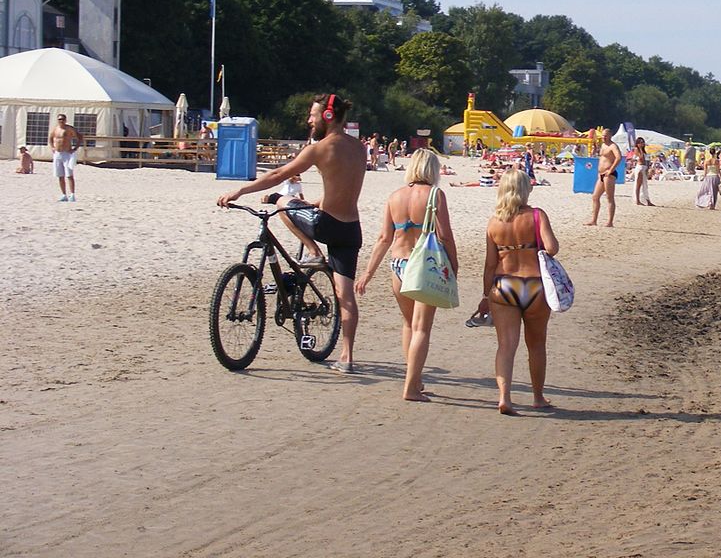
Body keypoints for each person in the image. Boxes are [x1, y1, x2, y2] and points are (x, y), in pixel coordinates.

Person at [218, 93, 366, 372]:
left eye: (312, 115)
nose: (309, 120)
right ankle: (346, 357)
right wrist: (318, 202)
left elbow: (279, 174)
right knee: (345, 295)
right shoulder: (360, 148)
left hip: (326, 225)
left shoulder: (319, 148)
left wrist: (241, 190)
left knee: (283, 203)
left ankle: (311, 250)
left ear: (328, 116)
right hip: (350, 229)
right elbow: (344, 185)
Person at [355, 149, 457, 401]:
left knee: (409, 324)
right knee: (422, 328)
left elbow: (383, 238)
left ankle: (415, 378)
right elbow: (444, 235)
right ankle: (411, 388)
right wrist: (454, 265)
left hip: (398, 264)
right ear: (431, 169)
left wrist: (368, 272)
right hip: (423, 265)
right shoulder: (435, 195)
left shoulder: (395, 197)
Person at [480, 168, 558, 415]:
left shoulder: (494, 222)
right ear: (525, 190)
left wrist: (485, 296)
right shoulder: (537, 215)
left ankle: (505, 397)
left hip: (504, 285)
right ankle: (538, 397)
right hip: (535, 284)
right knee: (536, 344)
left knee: (506, 345)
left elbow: (490, 264)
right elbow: (552, 248)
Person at [585, 132, 622, 226]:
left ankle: (610, 222)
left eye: (605, 135)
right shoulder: (603, 145)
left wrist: (611, 170)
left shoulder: (613, 146)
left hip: (609, 174)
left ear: (610, 136)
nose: (604, 137)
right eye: (603, 135)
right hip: (601, 174)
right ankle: (594, 220)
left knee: (609, 198)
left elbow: (618, 158)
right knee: (595, 197)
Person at [48, 114, 83, 202]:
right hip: (58, 153)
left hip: (67, 153)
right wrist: (52, 147)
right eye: (59, 119)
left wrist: (75, 148)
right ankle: (64, 194)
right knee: (60, 175)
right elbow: (51, 138)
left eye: (63, 119)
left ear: (65, 120)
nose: (61, 121)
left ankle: (72, 194)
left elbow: (79, 137)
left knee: (69, 175)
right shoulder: (55, 129)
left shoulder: (69, 129)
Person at [632, 138, 655, 206]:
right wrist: (640, 148)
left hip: (644, 167)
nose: (642, 144)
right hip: (640, 167)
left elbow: (646, 160)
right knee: (638, 185)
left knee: (645, 185)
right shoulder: (637, 150)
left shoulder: (643, 150)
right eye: (641, 142)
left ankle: (647, 200)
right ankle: (637, 200)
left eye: (643, 142)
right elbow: (641, 157)